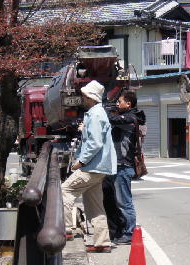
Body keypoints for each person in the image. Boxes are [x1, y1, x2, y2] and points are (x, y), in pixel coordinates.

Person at [62, 80, 117, 253]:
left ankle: (66, 229)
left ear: (90, 97)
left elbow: (94, 143)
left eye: (85, 95)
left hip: (92, 166)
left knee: (65, 190)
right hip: (101, 167)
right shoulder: (97, 113)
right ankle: (102, 242)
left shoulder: (94, 114)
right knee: (95, 206)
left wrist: (81, 161)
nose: (82, 97)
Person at [107, 90, 146, 245]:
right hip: (119, 165)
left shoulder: (131, 118)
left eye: (120, 101)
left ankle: (129, 234)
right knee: (119, 202)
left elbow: (113, 120)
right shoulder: (130, 116)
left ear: (128, 104)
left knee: (125, 202)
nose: (117, 104)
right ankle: (123, 231)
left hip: (124, 165)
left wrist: (106, 111)